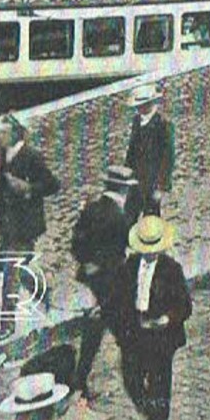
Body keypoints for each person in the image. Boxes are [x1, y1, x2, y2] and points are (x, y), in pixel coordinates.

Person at [113, 216, 192, 420]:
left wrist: (166, 319)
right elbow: (120, 295)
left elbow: (185, 306)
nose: (148, 254)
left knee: (160, 391)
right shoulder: (130, 266)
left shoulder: (171, 270)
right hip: (136, 332)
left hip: (161, 338)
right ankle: (148, 408)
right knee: (131, 378)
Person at [70, 165, 142, 398]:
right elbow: (119, 253)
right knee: (126, 334)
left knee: (93, 334)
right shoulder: (119, 218)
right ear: (123, 190)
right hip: (110, 285)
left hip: (91, 281)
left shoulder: (90, 209)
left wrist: (89, 263)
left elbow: (76, 243)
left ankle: (79, 381)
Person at [0, 113, 62, 340]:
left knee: (9, 275)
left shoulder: (32, 156)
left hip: (25, 227)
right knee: (19, 273)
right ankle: (43, 295)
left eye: (3, 132)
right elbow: (1, 191)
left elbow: (52, 185)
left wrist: (28, 188)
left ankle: (7, 327)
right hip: (8, 226)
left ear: (15, 132)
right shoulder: (4, 154)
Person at [124, 84, 175, 215]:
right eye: (137, 106)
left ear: (150, 103)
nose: (138, 109)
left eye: (141, 105)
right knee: (128, 218)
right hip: (135, 182)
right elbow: (131, 151)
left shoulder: (163, 124)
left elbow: (168, 158)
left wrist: (161, 187)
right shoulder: (137, 121)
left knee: (151, 223)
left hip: (152, 184)